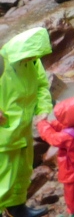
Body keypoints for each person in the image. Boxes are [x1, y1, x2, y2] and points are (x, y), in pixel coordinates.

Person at [0, 27, 53, 217]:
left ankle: (17, 208)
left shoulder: (33, 61)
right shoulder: (2, 62)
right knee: (3, 176)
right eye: (30, 56)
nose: (32, 60)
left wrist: (43, 110)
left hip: (24, 129)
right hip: (3, 134)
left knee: (23, 171)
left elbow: (42, 86)